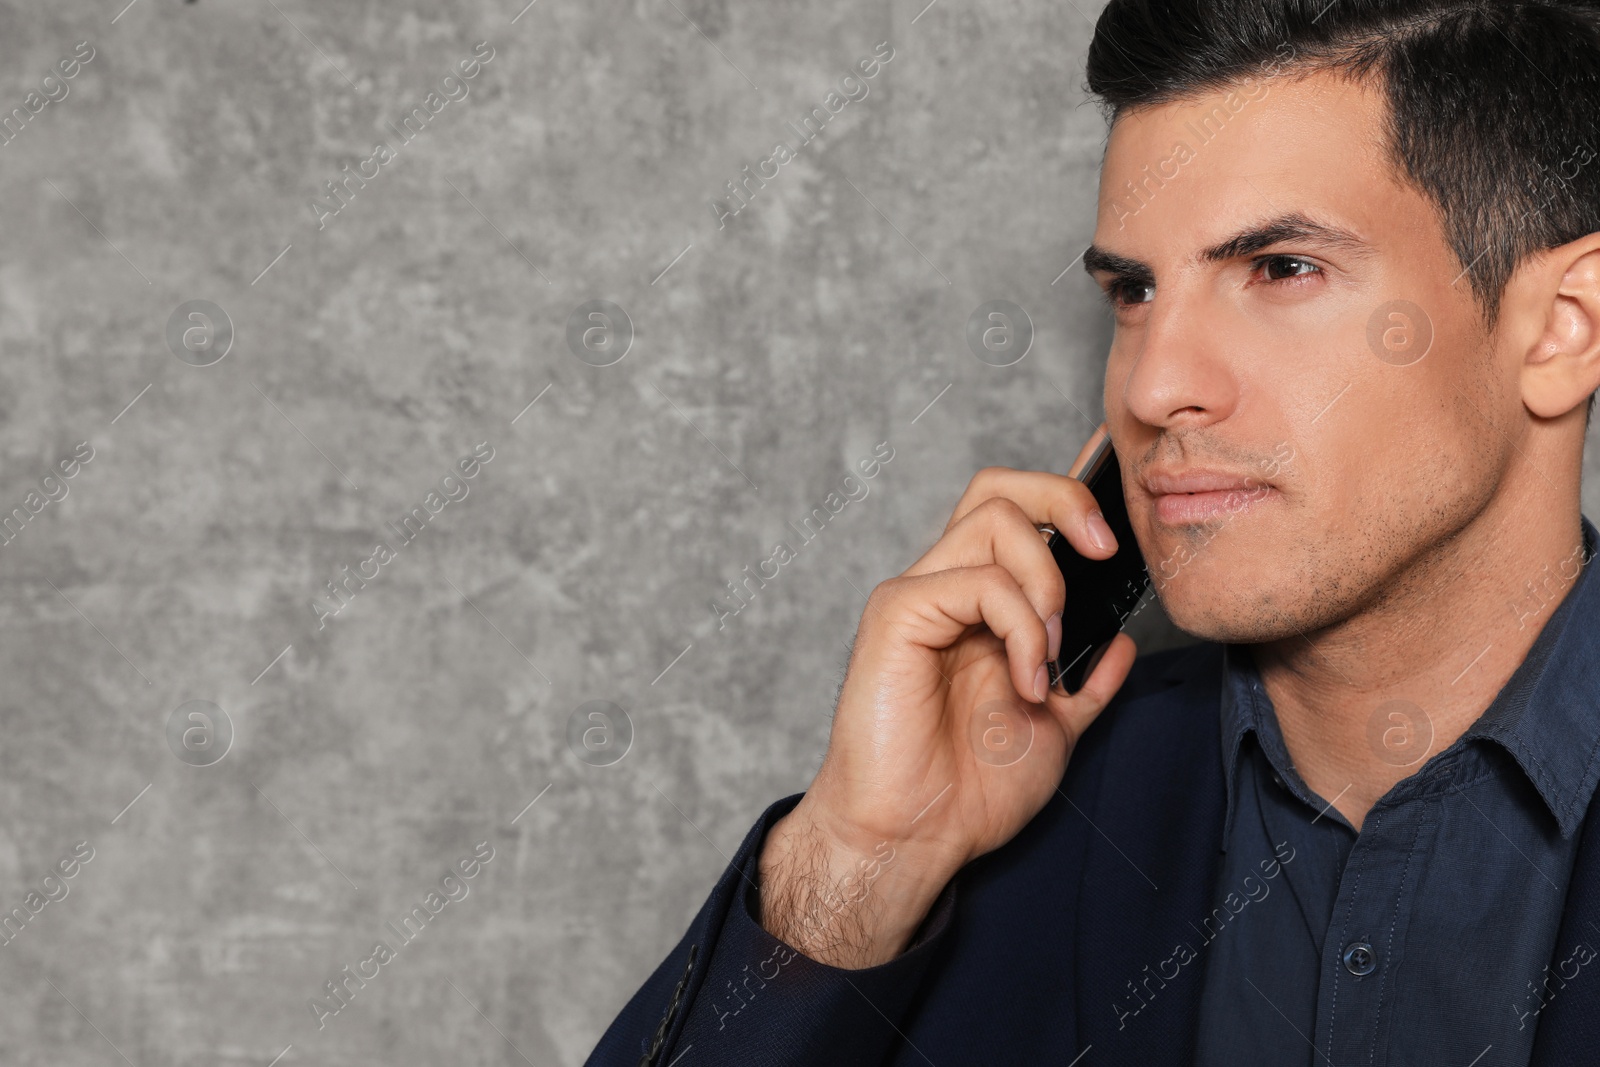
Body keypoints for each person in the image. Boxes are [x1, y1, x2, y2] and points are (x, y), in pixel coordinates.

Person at [588, 1, 1600, 1063]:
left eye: (1279, 269)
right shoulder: (1012, 812)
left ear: (1564, 326)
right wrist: (861, 860)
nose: (1156, 384)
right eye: (1133, 290)